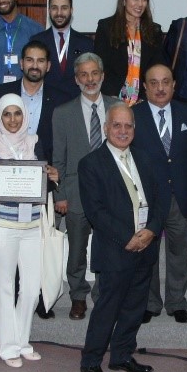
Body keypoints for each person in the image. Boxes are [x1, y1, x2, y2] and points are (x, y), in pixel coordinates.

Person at [78, 104, 168, 372]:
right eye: (117, 125)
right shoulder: (91, 163)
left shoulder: (146, 158)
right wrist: (128, 237)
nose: (122, 131)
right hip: (116, 247)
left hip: (146, 245)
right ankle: (91, 360)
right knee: (108, 307)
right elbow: (96, 211)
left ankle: (121, 355)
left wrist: (152, 231)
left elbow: (162, 199)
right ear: (106, 128)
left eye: (128, 126)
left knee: (135, 306)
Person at [0, 95, 58, 366]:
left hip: (31, 226)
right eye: (6, 114)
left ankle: (23, 341)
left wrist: (52, 179)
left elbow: (42, 187)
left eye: (17, 114)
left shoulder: (35, 143)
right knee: (5, 287)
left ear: (25, 116)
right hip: (2, 226)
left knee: (31, 289)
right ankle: (8, 347)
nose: (12, 119)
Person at [53, 52, 120, 320]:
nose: (90, 79)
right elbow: (59, 158)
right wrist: (59, 194)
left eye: (94, 73)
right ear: (76, 79)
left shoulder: (118, 106)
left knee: (107, 248)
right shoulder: (62, 113)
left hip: (111, 193)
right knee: (77, 249)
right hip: (75, 192)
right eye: (84, 74)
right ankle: (78, 296)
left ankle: (102, 295)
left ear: (102, 76)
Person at [133, 64, 187, 323]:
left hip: (180, 194)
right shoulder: (134, 115)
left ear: (174, 85)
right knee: (148, 252)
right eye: (154, 83)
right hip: (147, 198)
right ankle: (150, 304)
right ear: (145, 87)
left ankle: (177, 303)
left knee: (179, 251)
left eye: (165, 82)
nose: (160, 88)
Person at [0, 39, 63, 174]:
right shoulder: (0, 93)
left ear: (48, 66)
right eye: (30, 60)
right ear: (21, 64)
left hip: (45, 172)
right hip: (3, 170)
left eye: (41, 61)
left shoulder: (60, 99)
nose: (35, 66)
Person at [93, 0, 166, 105]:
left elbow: (156, 68)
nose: (140, 4)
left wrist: (144, 97)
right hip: (112, 98)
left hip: (144, 100)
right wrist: (113, 96)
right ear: (124, 1)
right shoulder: (106, 27)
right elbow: (100, 66)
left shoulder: (154, 31)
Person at [32, 0, 95, 102]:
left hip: (76, 106)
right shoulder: (37, 41)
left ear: (71, 10)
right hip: (45, 105)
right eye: (54, 8)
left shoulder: (86, 44)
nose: (59, 13)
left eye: (64, 8)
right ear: (49, 10)